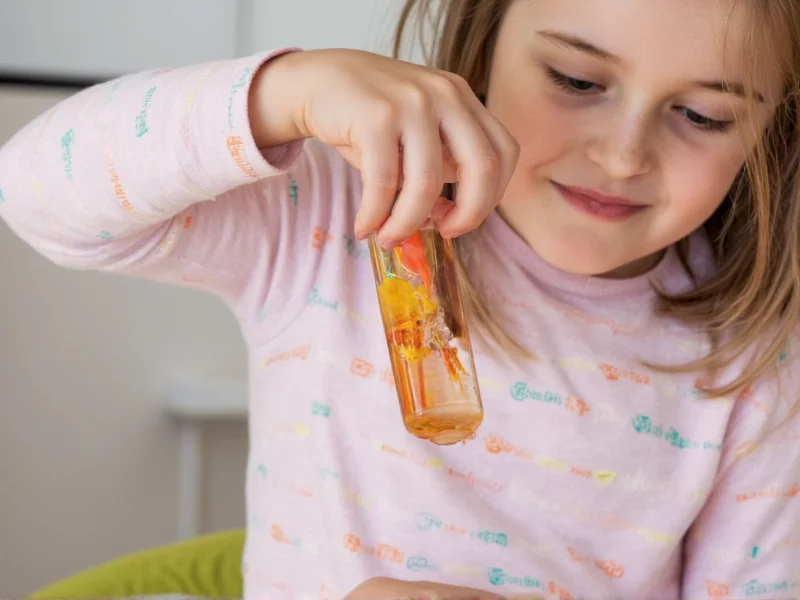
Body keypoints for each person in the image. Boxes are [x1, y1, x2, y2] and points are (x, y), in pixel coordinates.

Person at [2, 0, 799, 598]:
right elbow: (32, 193)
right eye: (576, 80)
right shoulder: (328, 217)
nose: (623, 156)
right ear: (482, 45)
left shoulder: (756, 361)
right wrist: (284, 90)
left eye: (703, 115)